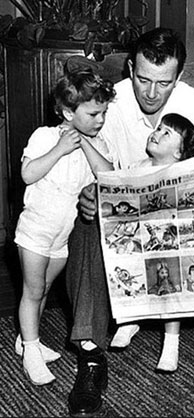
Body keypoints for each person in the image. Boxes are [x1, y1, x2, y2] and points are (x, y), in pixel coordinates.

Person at [66, 28, 194, 417]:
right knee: (85, 226)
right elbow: (89, 165)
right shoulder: (111, 104)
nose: (152, 94)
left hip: (183, 211)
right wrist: (89, 194)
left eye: (164, 83)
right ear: (131, 69)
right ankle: (90, 355)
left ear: (179, 77)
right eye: (144, 80)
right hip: (126, 215)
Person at [13, 69, 115, 386]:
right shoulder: (44, 136)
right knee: (32, 291)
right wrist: (60, 147)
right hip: (35, 230)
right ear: (69, 112)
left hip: (62, 237)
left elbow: (108, 175)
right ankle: (31, 350)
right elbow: (28, 174)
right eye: (93, 113)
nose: (100, 120)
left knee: (42, 289)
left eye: (104, 113)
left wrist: (84, 142)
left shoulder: (98, 143)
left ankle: (25, 339)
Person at [111, 112, 194, 373]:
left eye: (167, 133)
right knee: (128, 266)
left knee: (171, 283)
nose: (158, 133)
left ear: (178, 153)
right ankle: (130, 319)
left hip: (167, 241)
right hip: (140, 237)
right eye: (160, 128)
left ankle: (171, 341)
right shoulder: (138, 166)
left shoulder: (180, 172)